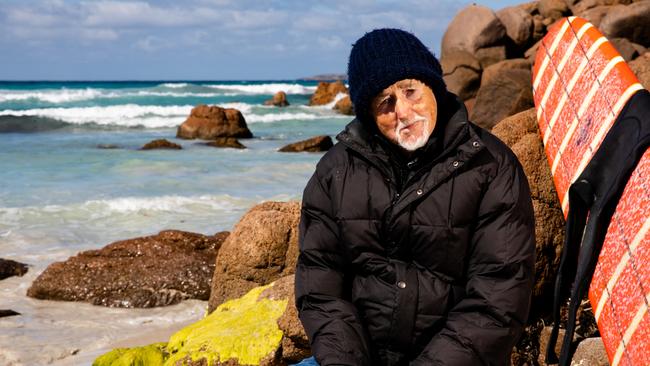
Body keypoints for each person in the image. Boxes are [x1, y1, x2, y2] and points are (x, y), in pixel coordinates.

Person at [294, 28, 535, 366]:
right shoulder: (335, 171)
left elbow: (497, 299)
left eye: (411, 92)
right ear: (368, 115)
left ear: (434, 87)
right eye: (385, 103)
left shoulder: (491, 166)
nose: (404, 112)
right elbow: (321, 288)